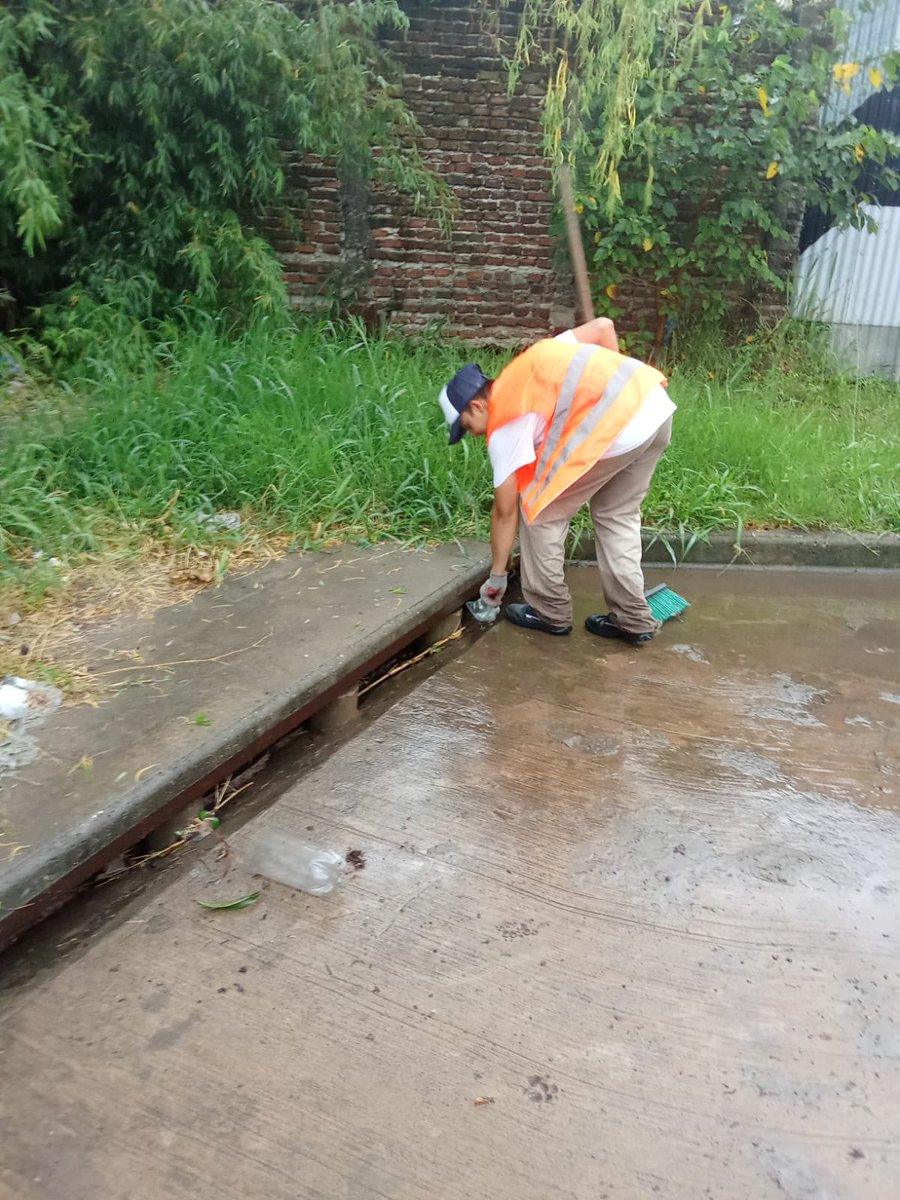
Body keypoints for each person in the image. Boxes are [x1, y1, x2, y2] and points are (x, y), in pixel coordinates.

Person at [438, 317, 674, 643]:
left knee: (539, 510)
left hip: (619, 428)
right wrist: (614, 393)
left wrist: (497, 576)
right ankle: (633, 620)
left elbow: (505, 511)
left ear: (477, 406)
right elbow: (604, 326)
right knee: (615, 515)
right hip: (653, 407)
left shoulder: (504, 422)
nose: (471, 434)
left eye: (465, 426)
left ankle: (550, 612)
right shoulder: (535, 359)